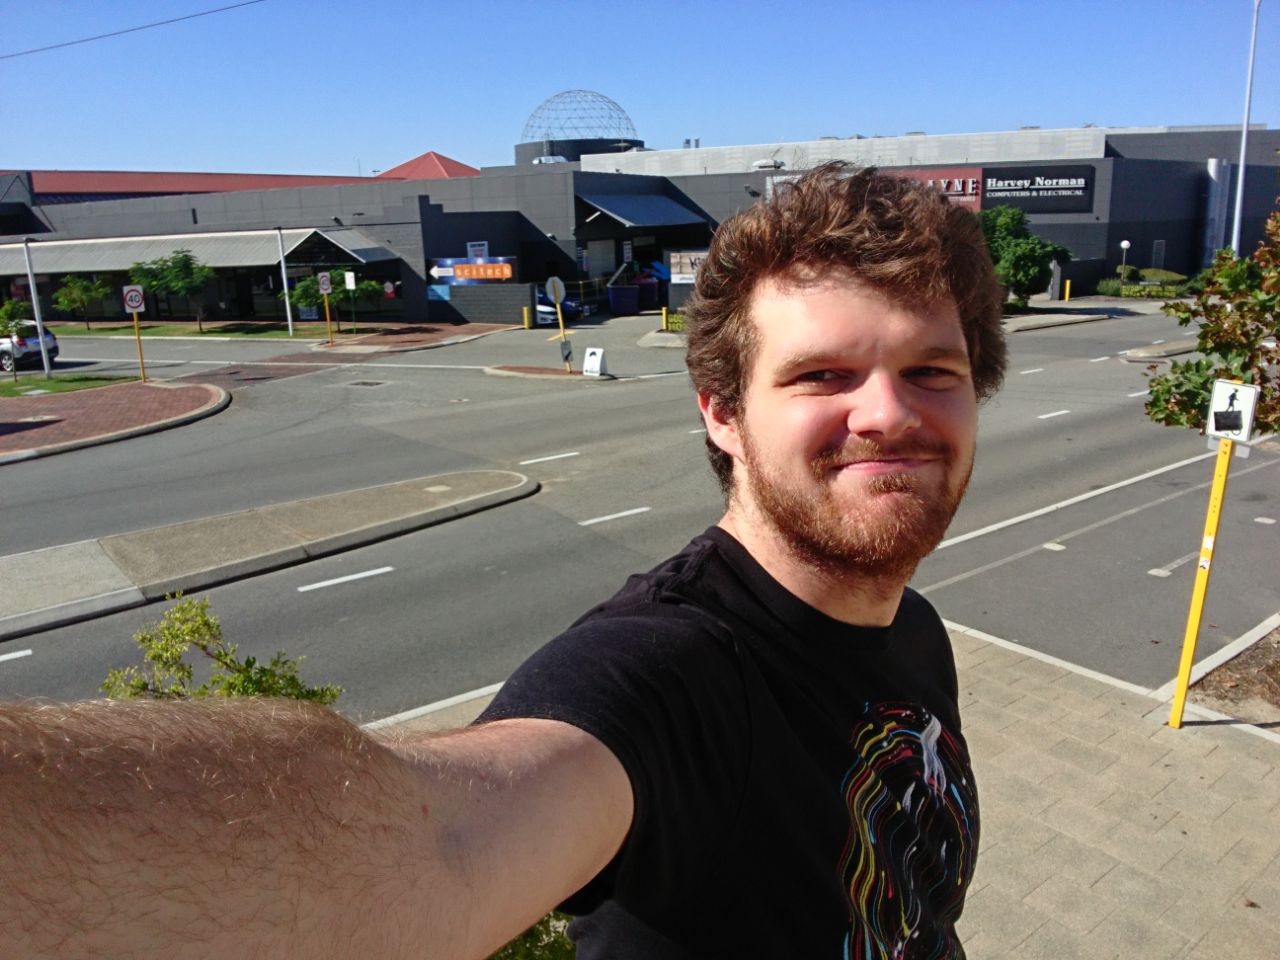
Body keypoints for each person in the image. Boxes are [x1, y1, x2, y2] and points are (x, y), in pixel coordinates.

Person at [0, 162, 1005, 960]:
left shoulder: (909, 632)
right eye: (821, 375)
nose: (886, 412)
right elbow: (426, 847)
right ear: (722, 414)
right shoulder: (668, 676)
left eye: (930, 371)